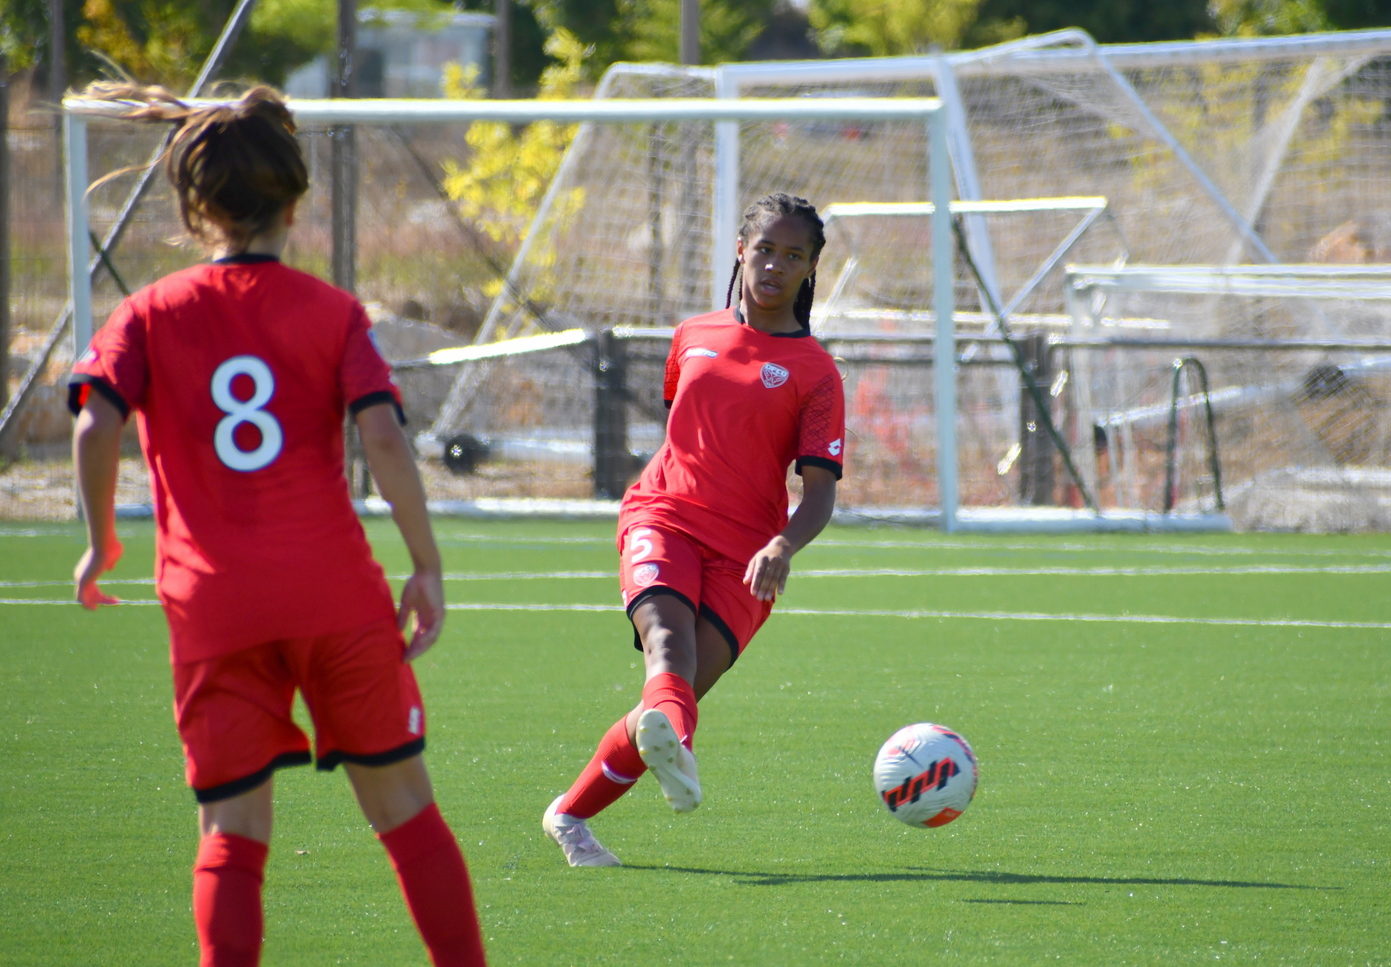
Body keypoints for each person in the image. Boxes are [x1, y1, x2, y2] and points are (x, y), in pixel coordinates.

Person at [67, 84, 485, 966]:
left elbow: (95, 424)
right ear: (296, 202)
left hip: (213, 603)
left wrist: (101, 540)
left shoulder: (147, 312)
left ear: (194, 210)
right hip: (333, 594)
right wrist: (426, 563)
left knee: (232, 827)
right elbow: (384, 436)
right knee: (406, 809)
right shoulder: (332, 312)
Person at [543, 192, 845, 866]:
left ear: (810, 268)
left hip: (748, 556)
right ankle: (679, 751)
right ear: (742, 250)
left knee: (669, 702)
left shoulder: (818, 373)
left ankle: (569, 815)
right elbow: (683, 427)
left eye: (792, 255)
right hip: (664, 516)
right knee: (667, 654)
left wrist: (782, 544)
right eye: (764, 249)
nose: (774, 264)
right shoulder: (692, 335)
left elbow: (820, 493)